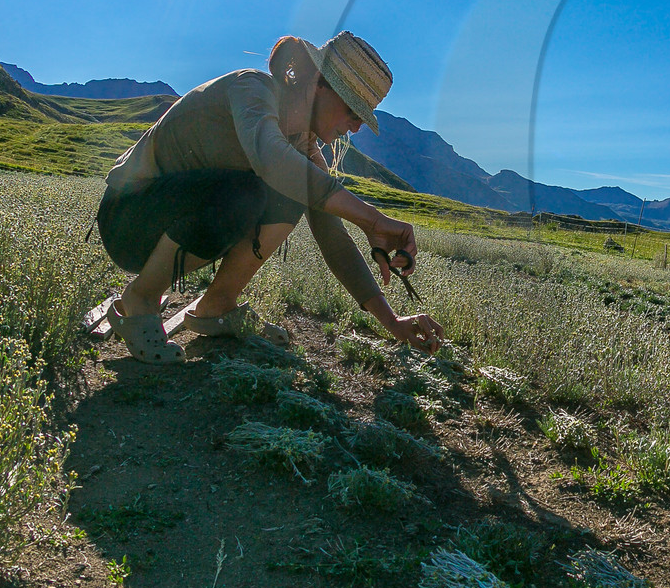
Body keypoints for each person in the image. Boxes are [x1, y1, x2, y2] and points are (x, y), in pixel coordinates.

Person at [97, 32, 444, 363]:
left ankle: (217, 305)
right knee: (247, 192)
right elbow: (269, 156)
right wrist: (372, 219)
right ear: (319, 84)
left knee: (291, 192)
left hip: (164, 228)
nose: (355, 127)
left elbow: (333, 238)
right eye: (353, 111)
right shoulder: (252, 87)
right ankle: (141, 298)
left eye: (362, 119)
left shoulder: (303, 145)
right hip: (127, 221)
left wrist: (392, 322)